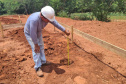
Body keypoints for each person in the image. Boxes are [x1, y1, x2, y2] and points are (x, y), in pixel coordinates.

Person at [24, 6, 70, 77]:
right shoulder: (34, 20)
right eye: (48, 20)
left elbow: (56, 23)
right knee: (36, 49)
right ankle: (37, 67)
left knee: (41, 46)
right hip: (30, 33)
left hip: (38, 32)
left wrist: (64, 30)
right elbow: (33, 33)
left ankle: (43, 61)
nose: (50, 21)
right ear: (43, 17)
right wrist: (36, 44)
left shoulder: (47, 17)